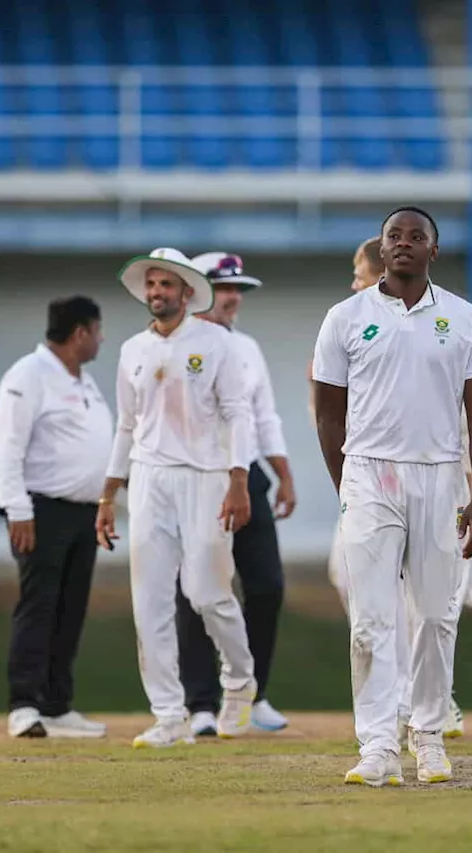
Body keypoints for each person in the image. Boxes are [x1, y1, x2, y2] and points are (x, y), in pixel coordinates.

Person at [312, 207, 472, 786]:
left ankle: (430, 736)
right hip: (369, 475)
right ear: (383, 247)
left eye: (417, 237)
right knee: (370, 618)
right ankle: (377, 746)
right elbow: (326, 413)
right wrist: (348, 486)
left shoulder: (465, 319)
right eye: (395, 236)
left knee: (437, 616)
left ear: (433, 251)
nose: (404, 244)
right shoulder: (345, 317)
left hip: (441, 475)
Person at [94, 247, 259, 749]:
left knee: (207, 594)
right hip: (149, 479)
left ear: (187, 292)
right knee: (149, 603)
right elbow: (125, 425)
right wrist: (108, 494)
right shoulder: (131, 351)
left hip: (207, 477)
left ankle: (240, 678)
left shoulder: (215, 343)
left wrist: (239, 481)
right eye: (151, 285)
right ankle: (169, 715)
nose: (157, 293)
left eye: (166, 285)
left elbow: (237, 413)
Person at [175, 252, 297, 737]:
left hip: (247, 477)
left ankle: (252, 693)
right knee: (200, 591)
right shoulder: (178, 346)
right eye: (222, 288)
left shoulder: (246, 347)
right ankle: (200, 703)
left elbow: (264, 416)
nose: (232, 299)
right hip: (196, 480)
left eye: (236, 290)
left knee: (266, 586)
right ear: (195, 292)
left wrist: (283, 473)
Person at [0, 296, 113, 739]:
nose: (101, 339)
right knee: (38, 607)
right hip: (41, 510)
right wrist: (17, 508)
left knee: (70, 609)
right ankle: (23, 704)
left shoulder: (83, 380)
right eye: (98, 331)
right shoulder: (28, 375)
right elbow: (7, 445)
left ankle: (57, 705)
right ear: (80, 332)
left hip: (83, 513)